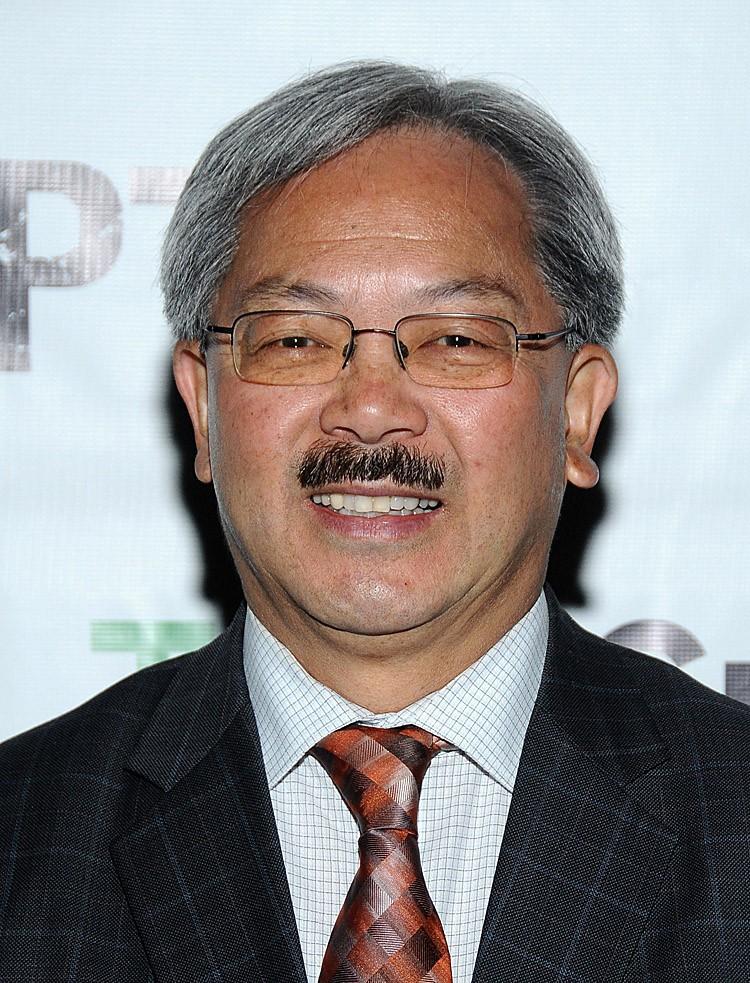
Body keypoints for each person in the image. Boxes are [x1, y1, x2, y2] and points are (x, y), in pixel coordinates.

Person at [1, 61, 748, 983]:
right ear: (203, 409)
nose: (370, 408)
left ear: (578, 412)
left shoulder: (735, 812)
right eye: (295, 339)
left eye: (459, 339)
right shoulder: (23, 835)